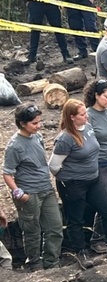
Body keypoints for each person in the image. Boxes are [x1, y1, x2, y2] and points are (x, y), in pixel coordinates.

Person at [49, 99, 107, 261]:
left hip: (93, 180)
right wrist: (69, 178)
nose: (86, 116)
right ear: (72, 117)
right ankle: (80, 252)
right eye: (82, 114)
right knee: (76, 218)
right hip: (73, 184)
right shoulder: (65, 139)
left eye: (85, 113)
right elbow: (53, 166)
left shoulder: (87, 128)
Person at [3, 104, 63, 270]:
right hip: (29, 193)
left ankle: (52, 263)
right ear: (23, 123)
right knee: (32, 231)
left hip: (46, 189)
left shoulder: (37, 137)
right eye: (34, 123)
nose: (39, 126)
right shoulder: (15, 146)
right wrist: (19, 193)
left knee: (55, 227)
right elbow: (7, 173)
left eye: (39, 121)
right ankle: (34, 263)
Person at [82, 79, 107, 245]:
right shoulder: (88, 116)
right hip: (99, 165)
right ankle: (97, 238)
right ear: (96, 95)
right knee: (106, 203)